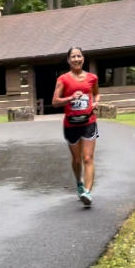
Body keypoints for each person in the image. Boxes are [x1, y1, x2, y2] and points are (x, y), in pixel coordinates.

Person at [52, 46, 100, 207]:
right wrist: (71, 98)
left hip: (89, 122)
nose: (76, 59)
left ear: (83, 58)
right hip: (71, 124)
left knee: (88, 158)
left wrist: (96, 102)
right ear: (68, 60)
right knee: (77, 160)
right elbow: (55, 101)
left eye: (79, 56)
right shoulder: (63, 79)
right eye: (73, 56)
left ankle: (87, 192)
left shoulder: (92, 78)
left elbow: (96, 93)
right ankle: (79, 183)